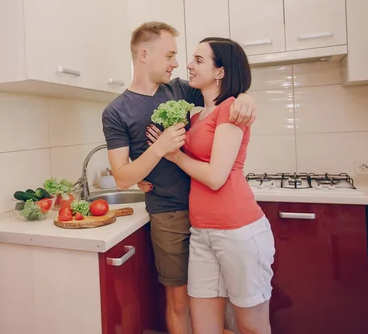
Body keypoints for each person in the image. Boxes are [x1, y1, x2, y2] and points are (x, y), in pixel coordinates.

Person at [101, 22, 257, 334]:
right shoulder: (116, 112)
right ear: (145, 54)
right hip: (168, 213)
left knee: (221, 301)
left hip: (211, 210)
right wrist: (158, 149)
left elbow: (225, 93)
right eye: (170, 55)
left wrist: (247, 99)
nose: (178, 63)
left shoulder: (180, 89)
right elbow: (121, 177)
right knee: (180, 303)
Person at [145, 37, 275, 334]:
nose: (189, 65)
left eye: (199, 60)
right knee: (204, 327)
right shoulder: (197, 113)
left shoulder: (232, 108)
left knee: (251, 327)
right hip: (201, 232)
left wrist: (174, 156)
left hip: (238, 232)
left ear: (220, 71)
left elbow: (216, 177)